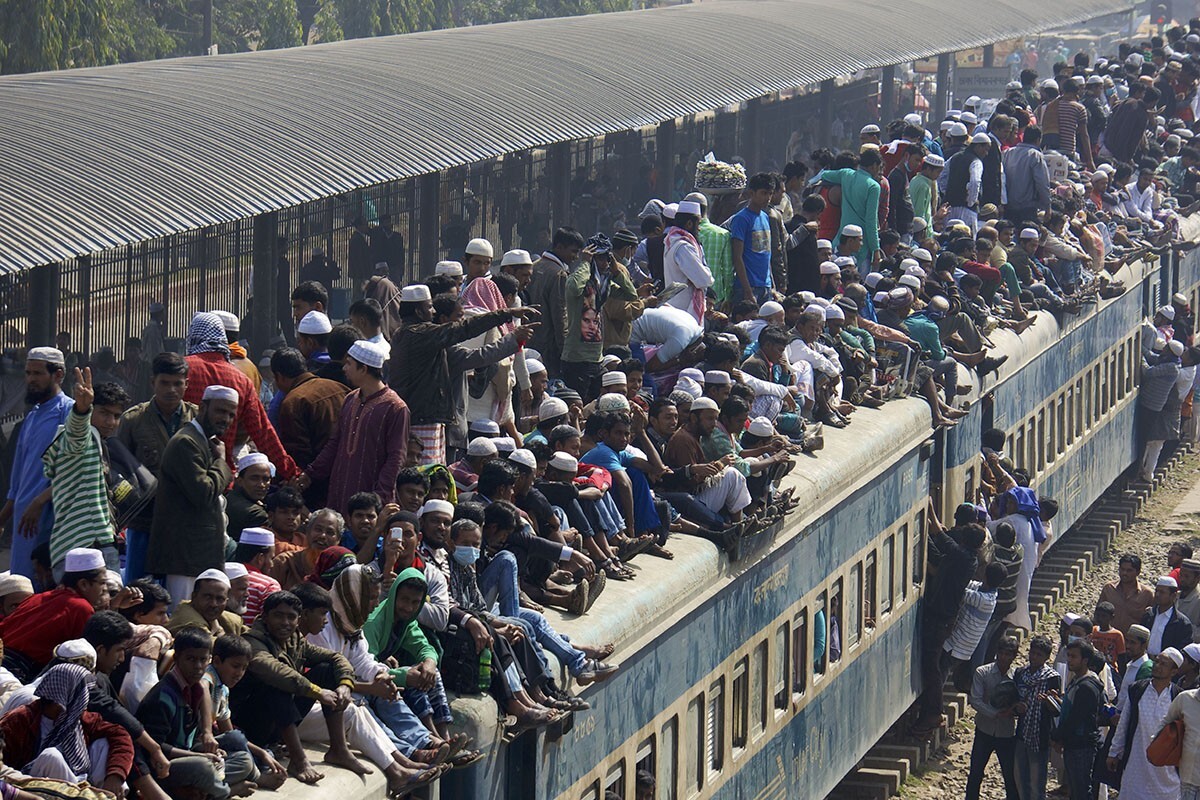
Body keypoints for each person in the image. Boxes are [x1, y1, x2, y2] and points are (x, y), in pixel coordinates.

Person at [231, 590, 371, 785]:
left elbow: (336, 657)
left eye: (291, 617)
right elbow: (275, 671)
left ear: (298, 620)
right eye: (278, 616)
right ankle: (299, 760)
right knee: (277, 685)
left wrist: (345, 684)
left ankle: (338, 749)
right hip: (249, 724)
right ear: (265, 616)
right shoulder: (253, 641)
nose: (285, 622)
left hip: (277, 721)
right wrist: (318, 692)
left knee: (326, 670)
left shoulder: (294, 640)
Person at [136, 626, 259, 800]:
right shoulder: (163, 697)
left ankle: (201, 791)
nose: (198, 666)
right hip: (163, 766)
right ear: (177, 658)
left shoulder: (196, 687)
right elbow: (156, 748)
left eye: (203, 660)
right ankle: (226, 791)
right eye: (191, 659)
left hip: (188, 752)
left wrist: (208, 742)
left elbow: (203, 700)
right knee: (202, 766)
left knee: (243, 761)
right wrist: (198, 755)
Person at [147, 385, 237, 604]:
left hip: (196, 554)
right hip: (184, 556)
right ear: (203, 408)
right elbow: (204, 492)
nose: (225, 419)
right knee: (183, 616)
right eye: (220, 411)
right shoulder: (186, 443)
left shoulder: (204, 442)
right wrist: (221, 462)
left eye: (231, 414)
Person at [182, 313, 299, 479]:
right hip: (222, 475)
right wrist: (291, 473)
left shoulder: (183, 371)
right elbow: (263, 433)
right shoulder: (241, 379)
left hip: (183, 471)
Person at [116, 352, 197, 584]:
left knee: (179, 592)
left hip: (184, 524)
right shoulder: (133, 421)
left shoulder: (198, 419)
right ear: (153, 382)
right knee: (139, 589)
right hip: (144, 524)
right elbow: (118, 473)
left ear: (186, 384)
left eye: (177, 384)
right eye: (164, 383)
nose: (171, 389)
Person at [42, 368, 125, 579]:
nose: (111, 422)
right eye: (104, 413)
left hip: (96, 541)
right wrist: (82, 408)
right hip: (81, 546)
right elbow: (76, 433)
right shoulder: (81, 437)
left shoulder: (100, 443)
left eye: (116, 416)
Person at [0, 663, 133, 793]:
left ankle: (106, 794)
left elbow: (120, 735)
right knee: (51, 756)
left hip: (79, 778)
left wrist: (115, 775)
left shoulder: (80, 719)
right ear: (66, 694)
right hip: (31, 785)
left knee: (103, 743)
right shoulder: (19, 720)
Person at [1, 347, 74, 580]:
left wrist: (39, 502)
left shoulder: (70, 412)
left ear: (58, 375)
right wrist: (3, 518)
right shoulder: (32, 416)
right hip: (24, 522)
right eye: (28, 373)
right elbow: (18, 479)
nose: (31, 379)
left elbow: (73, 469)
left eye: (38, 373)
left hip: (51, 519)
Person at [0, 548, 111, 682]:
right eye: (102, 583)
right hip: (20, 675)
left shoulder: (41, 597)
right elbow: (87, 657)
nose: (105, 589)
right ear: (84, 584)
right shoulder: (81, 608)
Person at [1106, 648, 1184, 800]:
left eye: (1164, 664)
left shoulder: (1178, 697)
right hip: (1137, 764)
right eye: (1157, 661)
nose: (1158, 666)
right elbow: (1124, 723)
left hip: (1166, 771)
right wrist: (1114, 752)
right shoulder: (1138, 690)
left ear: (1173, 672)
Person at [270, 347, 349, 487]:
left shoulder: (292, 402)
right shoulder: (340, 388)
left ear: (279, 377)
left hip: (316, 483)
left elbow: (298, 453)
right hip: (347, 472)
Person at [965, 637, 1020, 800]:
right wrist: (995, 713)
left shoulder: (1017, 676)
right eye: (1001, 653)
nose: (1004, 657)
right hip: (984, 730)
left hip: (1007, 733)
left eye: (1008, 654)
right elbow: (975, 700)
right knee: (975, 772)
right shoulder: (983, 672)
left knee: (1010, 776)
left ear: (1014, 656)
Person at [1050, 639, 1103, 800]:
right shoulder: (1076, 680)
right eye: (1069, 656)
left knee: (1081, 789)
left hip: (1081, 745)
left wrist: (1057, 737)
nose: (1069, 660)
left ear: (1085, 660)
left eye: (1074, 657)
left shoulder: (1087, 686)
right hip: (1074, 743)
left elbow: (1075, 719)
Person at [528, 227, 586, 375]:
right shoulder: (559, 274)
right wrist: (565, 351)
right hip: (549, 346)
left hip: (530, 340)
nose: (575, 256)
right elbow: (560, 315)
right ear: (559, 247)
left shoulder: (534, 267)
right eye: (573, 251)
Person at [728, 173, 775, 302]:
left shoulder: (765, 217)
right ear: (752, 193)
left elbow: (766, 254)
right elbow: (737, 256)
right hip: (748, 287)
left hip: (765, 286)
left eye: (770, 194)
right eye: (764, 193)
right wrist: (747, 291)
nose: (768, 198)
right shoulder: (741, 219)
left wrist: (771, 285)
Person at [167, 569, 246, 638]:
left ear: (226, 601)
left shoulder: (228, 619)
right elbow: (216, 646)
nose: (213, 604)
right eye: (208, 597)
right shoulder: (187, 620)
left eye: (220, 599)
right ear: (194, 596)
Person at [1100, 554, 1155, 635]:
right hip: (1109, 639)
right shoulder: (1109, 588)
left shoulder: (1147, 594)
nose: (1124, 573)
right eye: (1122, 569)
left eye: (1129, 570)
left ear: (1138, 572)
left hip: (1133, 643)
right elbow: (1098, 614)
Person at [1141, 575, 1194, 655]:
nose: (1157, 595)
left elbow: (1181, 651)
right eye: (1157, 591)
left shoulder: (1182, 623)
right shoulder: (1148, 615)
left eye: (1162, 592)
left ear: (1173, 596)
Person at [225, 452, 271, 540]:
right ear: (239, 480)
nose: (261, 485)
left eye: (266, 479)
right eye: (254, 478)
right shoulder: (256, 514)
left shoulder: (229, 498)